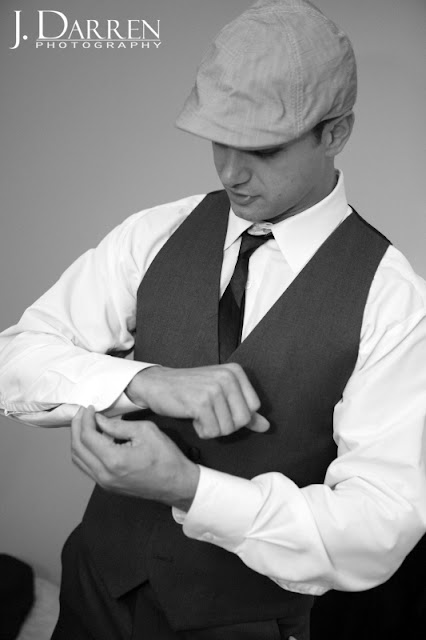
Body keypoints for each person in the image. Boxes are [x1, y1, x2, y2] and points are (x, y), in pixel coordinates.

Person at [1, 1, 425, 639]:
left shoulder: (394, 299)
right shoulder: (155, 231)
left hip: (243, 624)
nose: (231, 170)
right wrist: (143, 380)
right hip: (95, 595)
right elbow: (14, 359)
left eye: (263, 148)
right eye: (219, 138)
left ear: (335, 133)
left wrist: (191, 489)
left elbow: (378, 526)